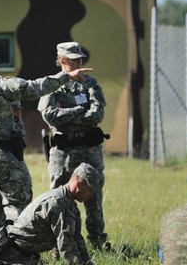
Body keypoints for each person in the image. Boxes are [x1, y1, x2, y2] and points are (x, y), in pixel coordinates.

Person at [0, 41, 91, 235]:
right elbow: (33, 88)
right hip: (3, 154)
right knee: (18, 206)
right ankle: (18, 252)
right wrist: (65, 77)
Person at [37, 41, 109, 250]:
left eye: (80, 59)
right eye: (73, 59)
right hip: (63, 151)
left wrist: (66, 114)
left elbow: (97, 114)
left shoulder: (91, 84)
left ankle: (97, 243)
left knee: (93, 197)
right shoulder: (52, 85)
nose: (79, 62)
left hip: (89, 148)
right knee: (58, 198)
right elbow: (49, 116)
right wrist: (78, 111)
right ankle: (58, 247)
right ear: (62, 61)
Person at [0, 163, 99, 265]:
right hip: (12, 253)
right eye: (89, 190)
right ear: (78, 184)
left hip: (27, 254)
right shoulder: (58, 203)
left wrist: (87, 262)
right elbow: (66, 245)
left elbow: (77, 239)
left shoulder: (71, 206)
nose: (91, 195)